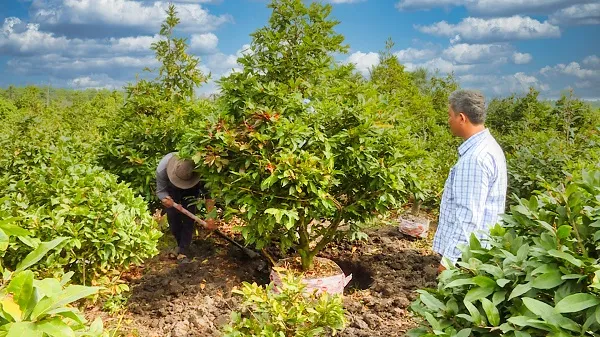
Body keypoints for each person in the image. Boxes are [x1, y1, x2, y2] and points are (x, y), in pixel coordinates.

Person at [433, 90, 507, 273]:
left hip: (466, 259)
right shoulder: (488, 147)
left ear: (461, 118)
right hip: (475, 255)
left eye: (450, 115)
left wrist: (448, 263)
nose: (448, 120)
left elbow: (467, 218)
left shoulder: (475, 159)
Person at [156, 152, 216, 259]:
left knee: (189, 217)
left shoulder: (200, 169)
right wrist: (165, 199)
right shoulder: (162, 169)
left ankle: (183, 251)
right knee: (173, 217)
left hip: (191, 189)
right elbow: (161, 191)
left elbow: (208, 195)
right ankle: (181, 246)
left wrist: (210, 217)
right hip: (172, 190)